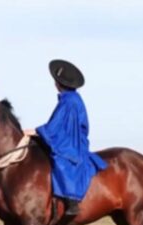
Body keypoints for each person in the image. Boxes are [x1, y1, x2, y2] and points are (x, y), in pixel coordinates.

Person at [24, 59, 107, 216]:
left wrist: (35, 131)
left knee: (61, 160)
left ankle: (71, 201)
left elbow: (55, 126)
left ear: (59, 83)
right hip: (70, 138)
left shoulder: (69, 101)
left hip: (71, 142)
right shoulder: (71, 99)